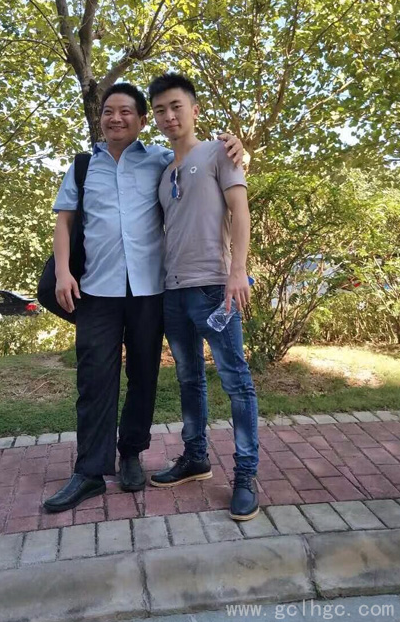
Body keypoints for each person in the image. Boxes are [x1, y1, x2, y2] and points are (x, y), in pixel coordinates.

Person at [43, 82, 244, 513]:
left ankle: (131, 453)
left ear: (140, 119)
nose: (116, 118)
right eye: (108, 111)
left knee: (144, 377)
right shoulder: (82, 166)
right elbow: (64, 221)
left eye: (126, 112)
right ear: (100, 118)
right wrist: (62, 271)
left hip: (150, 290)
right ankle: (89, 471)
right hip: (96, 290)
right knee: (94, 379)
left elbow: (200, 159)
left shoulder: (159, 159)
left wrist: (234, 145)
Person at [148, 73, 260, 522]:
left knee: (236, 381)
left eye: (176, 106)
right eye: (160, 110)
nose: (168, 116)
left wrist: (238, 272)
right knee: (188, 379)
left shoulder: (219, 152)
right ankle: (196, 457)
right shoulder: (164, 171)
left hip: (215, 287)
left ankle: (246, 476)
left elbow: (240, 210)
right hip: (173, 292)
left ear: (194, 110)